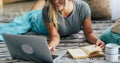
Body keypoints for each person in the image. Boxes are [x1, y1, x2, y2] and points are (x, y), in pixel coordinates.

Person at [1, 0, 105, 51]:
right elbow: (55, 36)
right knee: (29, 16)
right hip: (36, 21)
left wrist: (97, 40)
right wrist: (50, 45)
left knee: (35, 11)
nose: (55, 1)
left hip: (41, 14)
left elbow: (89, 33)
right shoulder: (48, 10)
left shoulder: (83, 8)